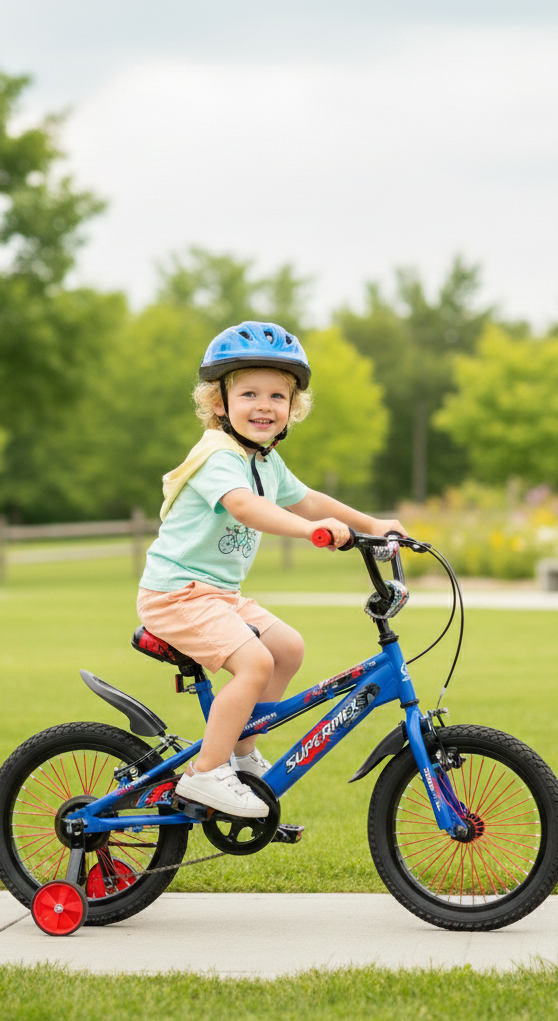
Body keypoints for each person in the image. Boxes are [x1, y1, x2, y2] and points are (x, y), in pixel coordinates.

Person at [137, 321, 405, 817]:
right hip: (178, 593)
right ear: (219, 402)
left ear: (292, 409)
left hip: (218, 594)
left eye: (278, 396)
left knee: (287, 648)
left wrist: (372, 523)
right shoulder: (218, 454)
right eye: (250, 393)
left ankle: (240, 753)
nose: (265, 405)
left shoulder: (264, 460)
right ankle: (205, 774)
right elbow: (243, 506)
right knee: (256, 661)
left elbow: (307, 499)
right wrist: (311, 532)